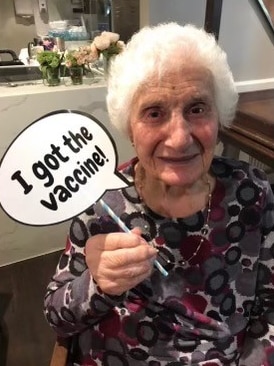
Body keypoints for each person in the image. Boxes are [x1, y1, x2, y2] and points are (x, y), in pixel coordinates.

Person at [44, 22, 274, 366]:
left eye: (197, 108)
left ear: (219, 114)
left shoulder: (252, 193)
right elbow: (56, 316)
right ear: (130, 127)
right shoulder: (100, 201)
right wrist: (98, 284)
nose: (179, 138)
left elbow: (269, 311)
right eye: (154, 113)